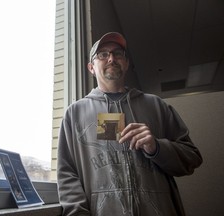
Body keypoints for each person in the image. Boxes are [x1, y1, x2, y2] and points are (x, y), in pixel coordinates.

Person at [57, 32, 203, 216]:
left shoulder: (156, 105)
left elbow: (192, 157)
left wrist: (156, 147)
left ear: (126, 63)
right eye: (102, 54)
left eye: (118, 53)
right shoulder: (74, 114)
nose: (111, 58)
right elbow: (67, 174)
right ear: (91, 67)